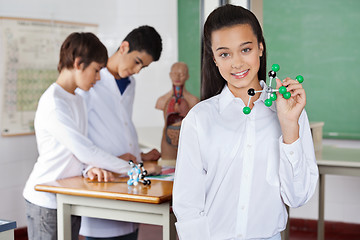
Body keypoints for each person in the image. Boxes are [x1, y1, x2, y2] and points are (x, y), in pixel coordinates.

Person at [172, 4, 319, 240]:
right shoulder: (200, 118)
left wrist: (289, 125)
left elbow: (298, 197)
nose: (237, 63)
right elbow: (187, 202)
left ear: (260, 47)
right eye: (224, 54)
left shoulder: (289, 110)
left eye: (246, 49)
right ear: (214, 59)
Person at [23, 32, 136, 240]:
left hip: (69, 195)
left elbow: (75, 151)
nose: (99, 77)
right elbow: (85, 150)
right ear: (77, 63)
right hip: (46, 201)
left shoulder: (77, 99)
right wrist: (134, 170)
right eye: (96, 70)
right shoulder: (54, 103)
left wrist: (90, 168)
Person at [77, 25, 163, 240]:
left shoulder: (130, 83)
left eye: (143, 67)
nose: (137, 71)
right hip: (103, 178)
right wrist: (91, 167)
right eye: (137, 62)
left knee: (129, 232)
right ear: (124, 47)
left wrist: (140, 154)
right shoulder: (90, 81)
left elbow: (119, 126)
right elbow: (79, 136)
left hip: (127, 179)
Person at [155, 62, 199, 160]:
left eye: (181, 74)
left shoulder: (193, 101)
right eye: (174, 74)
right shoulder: (162, 100)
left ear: (187, 76)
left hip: (187, 143)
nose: (177, 77)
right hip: (167, 144)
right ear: (170, 75)